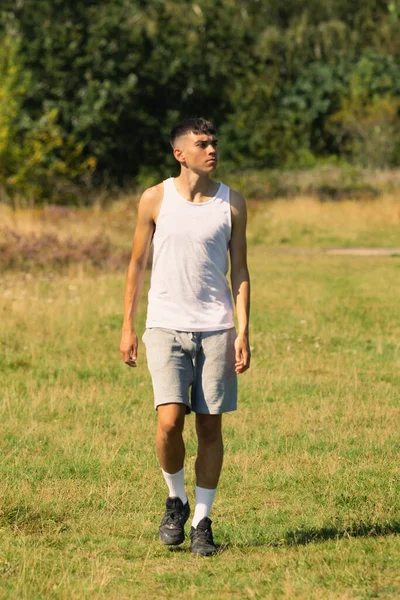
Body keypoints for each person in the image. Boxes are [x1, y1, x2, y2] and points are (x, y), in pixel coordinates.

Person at [119, 117, 250, 556]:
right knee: (169, 422)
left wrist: (243, 329)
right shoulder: (154, 199)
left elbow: (241, 269)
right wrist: (127, 325)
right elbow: (136, 264)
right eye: (202, 143)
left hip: (217, 328)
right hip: (164, 325)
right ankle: (175, 498)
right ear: (180, 153)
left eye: (214, 142)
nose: (211, 149)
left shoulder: (231, 203)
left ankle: (202, 521)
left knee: (210, 427)